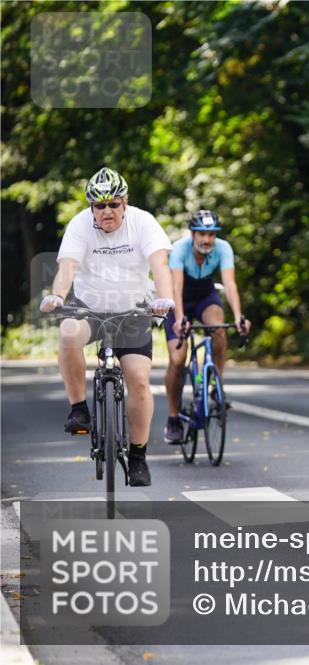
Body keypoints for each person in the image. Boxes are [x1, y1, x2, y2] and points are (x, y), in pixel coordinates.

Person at [38, 167, 174, 487]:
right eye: (99, 206)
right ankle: (78, 409)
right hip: (91, 307)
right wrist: (58, 296)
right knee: (68, 332)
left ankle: (138, 457)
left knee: (139, 381)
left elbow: (160, 263)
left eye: (113, 204)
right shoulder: (80, 226)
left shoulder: (143, 222)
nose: (107, 211)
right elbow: (68, 267)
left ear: (125, 202)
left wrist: (164, 298)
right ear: (91, 208)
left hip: (133, 310)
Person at [162, 210, 251, 443]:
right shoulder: (179, 249)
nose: (207, 240)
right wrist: (180, 318)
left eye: (211, 235)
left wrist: (240, 316)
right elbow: (176, 286)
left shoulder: (223, 248)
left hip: (205, 297)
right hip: (179, 298)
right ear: (192, 234)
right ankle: (173, 418)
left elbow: (230, 285)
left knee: (219, 329)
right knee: (178, 359)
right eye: (202, 234)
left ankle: (214, 383)